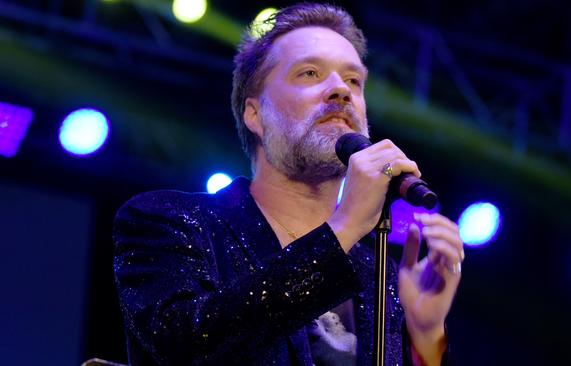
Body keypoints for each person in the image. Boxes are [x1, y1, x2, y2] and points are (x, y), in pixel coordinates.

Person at [113, 3, 463, 365]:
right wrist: (344, 227)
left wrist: (426, 337)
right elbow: (184, 346)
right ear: (255, 113)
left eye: (353, 80)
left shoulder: (378, 270)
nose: (340, 90)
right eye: (310, 73)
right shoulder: (169, 221)